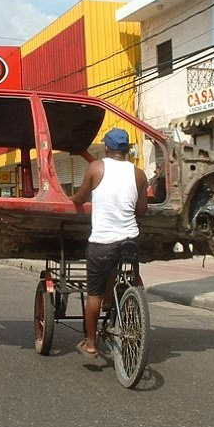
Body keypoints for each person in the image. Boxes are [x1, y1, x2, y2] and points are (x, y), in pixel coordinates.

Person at [70, 127, 148, 356]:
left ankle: (91, 343)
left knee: (93, 294)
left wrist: (71, 199)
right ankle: (117, 303)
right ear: (126, 149)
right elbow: (141, 210)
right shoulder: (139, 174)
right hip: (130, 241)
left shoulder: (96, 167)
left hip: (102, 242)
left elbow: (80, 198)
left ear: (107, 147)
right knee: (118, 268)